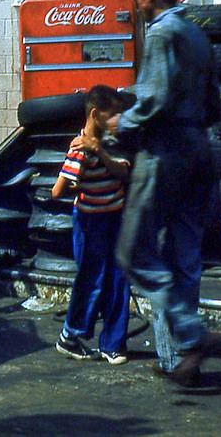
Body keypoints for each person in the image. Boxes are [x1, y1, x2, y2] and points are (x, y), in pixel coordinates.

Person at [111, 0, 221, 386]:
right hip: (200, 149)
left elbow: (153, 99)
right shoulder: (197, 33)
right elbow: (214, 103)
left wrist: (121, 125)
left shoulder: (160, 32)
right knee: (186, 255)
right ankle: (181, 362)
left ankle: (190, 338)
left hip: (166, 152)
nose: (136, 1)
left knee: (134, 252)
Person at [51, 85, 132, 366]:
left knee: (119, 279)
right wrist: (81, 167)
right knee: (93, 280)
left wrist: (100, 151)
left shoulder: (110, 142)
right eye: (114, 116)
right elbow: (57, 191)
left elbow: (123, 172)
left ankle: (113, 343)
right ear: (96, 115)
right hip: (90, 222)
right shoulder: (79, 147)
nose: (118, 121)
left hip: (115, 218)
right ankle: (70, 335)